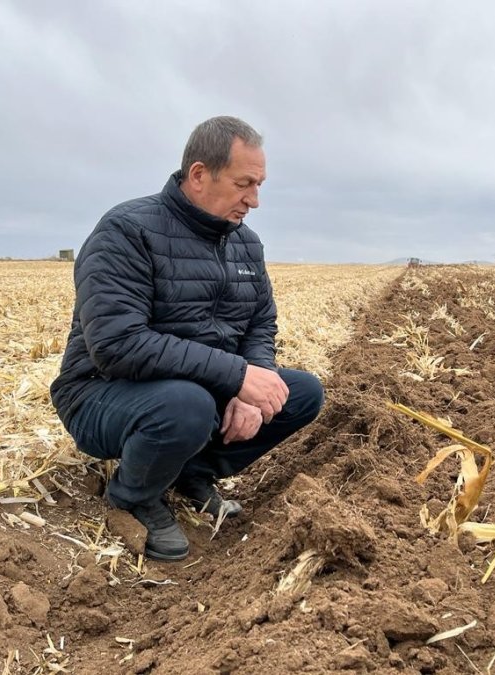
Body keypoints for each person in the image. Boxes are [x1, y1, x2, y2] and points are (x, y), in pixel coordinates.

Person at [50, 116, 324, 561]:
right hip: (100, 394)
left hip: (198, 388)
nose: (254, 200)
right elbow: (118, 345)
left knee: (301, 393)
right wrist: (235, 375)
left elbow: (260, 323)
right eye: (243, 184)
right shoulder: (126, 231)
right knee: (186, 405)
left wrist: (253, 384)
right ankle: (133, 496)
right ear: (199, 175)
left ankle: (192, 472)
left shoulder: (246, 245)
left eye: (260, 185)